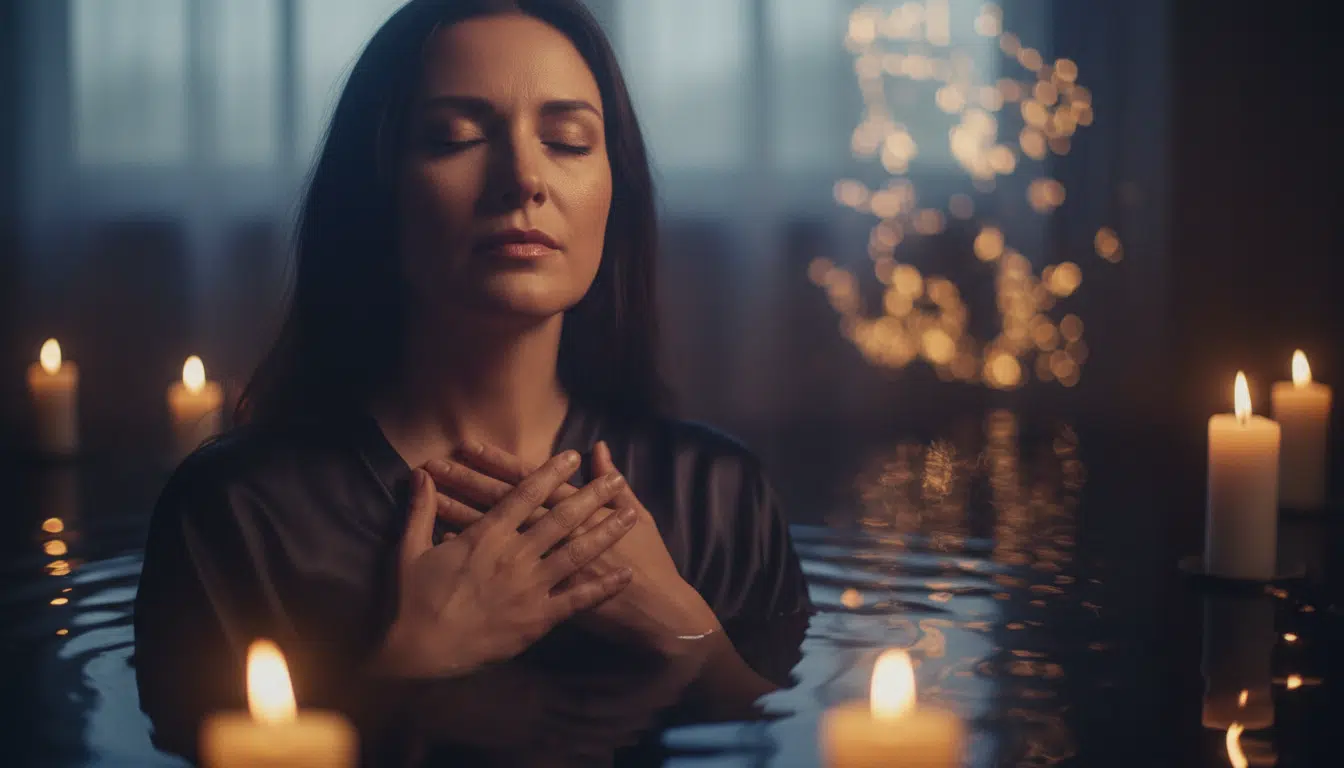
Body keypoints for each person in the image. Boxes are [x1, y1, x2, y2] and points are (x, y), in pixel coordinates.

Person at [133, 0, 811, 760]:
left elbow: (786, 740)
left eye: (567, 141)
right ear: (377, 190)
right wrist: (411, 661)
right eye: (454, 138)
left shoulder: (718, 496)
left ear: (614, 192)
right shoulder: (240, 514)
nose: (523, 179)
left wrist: (685, 629)